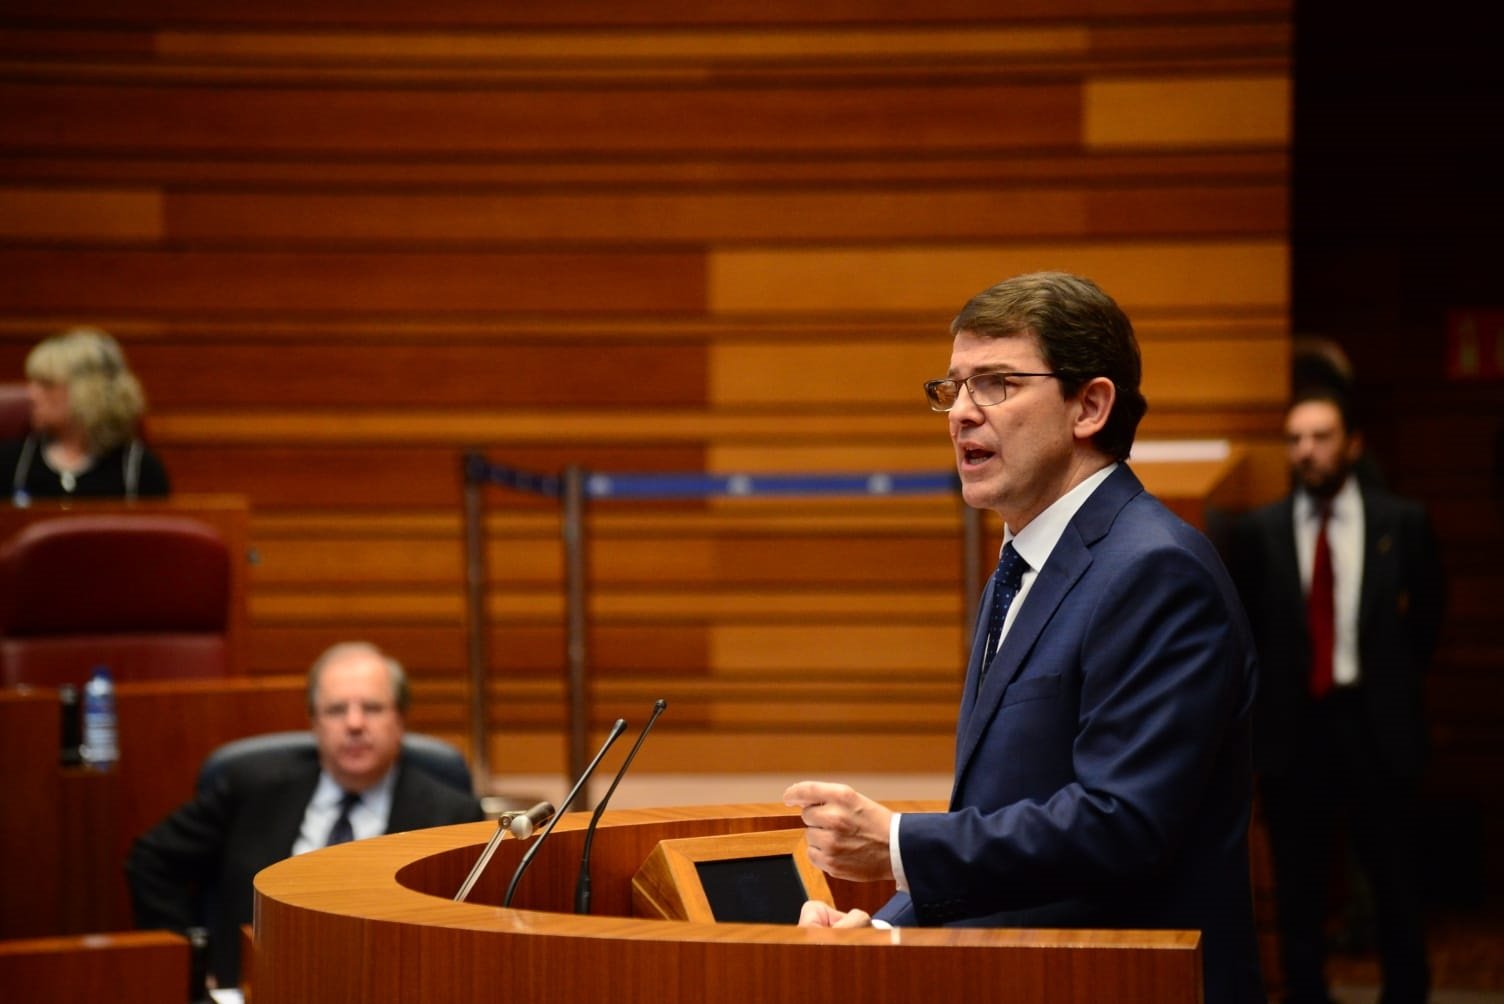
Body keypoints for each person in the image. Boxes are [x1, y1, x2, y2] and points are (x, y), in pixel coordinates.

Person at [783, 271, 1264, 1002]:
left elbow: (1120, 825)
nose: (961, 414)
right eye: (952, 389)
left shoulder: (1155, 570)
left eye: (997, 384)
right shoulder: (1021, 567)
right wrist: (886, 929)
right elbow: (1011, 814)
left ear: (1090, 406)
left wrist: (900, 844)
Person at [1232, 389, 1444, 1004]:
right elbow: (1245, 633)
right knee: (1300, 889)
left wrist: (1395, 685)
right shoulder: (1258, 531)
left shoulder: (1401, 523)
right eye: (1295, 439)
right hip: (1295, 735)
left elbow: (1428, 620)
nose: (1306, 451)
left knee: (1396, 880)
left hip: (1377, 726)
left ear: (1352, 444)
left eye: (1320, 437)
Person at [126, 641, 485, 988]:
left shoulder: (452, 815)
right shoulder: (253, 789)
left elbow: (472, 931)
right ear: (314, 723)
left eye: (373, 708)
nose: (355, 723)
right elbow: (151, 861)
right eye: (336, 710)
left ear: (401, 720)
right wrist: (192, 960)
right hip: (259, 987)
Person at [1, 326, 169, 504]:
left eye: (47, 384)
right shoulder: (9, 464)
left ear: (87, 392)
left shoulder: (137, 471)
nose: (32, 395)